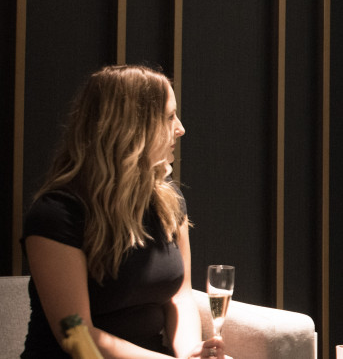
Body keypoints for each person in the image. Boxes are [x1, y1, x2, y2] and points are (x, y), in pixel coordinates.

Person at [22, 65, 227, 358]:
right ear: (130, 128)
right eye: (169, 117)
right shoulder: (56, 214)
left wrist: (190, 352)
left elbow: (180, 297)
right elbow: (75, 336)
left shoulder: (168, 200)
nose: (181, 128)